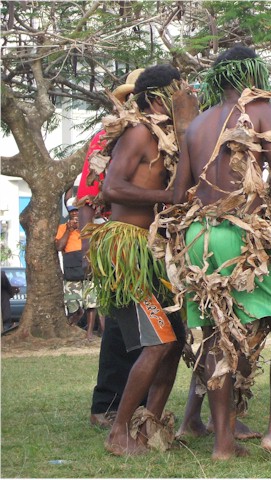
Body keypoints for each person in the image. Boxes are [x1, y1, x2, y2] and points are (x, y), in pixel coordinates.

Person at [165, 45, 271, 460]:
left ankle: (223, 444)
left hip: (198, 237)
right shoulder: (258, 107)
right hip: (240, 235)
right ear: (253, 75)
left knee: (215, 338)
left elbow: (178, 194)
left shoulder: (195, 125)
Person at [86, 64, 186, 456]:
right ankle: (119, 433)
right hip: (127, 249)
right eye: (179, 93)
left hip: (152, 251)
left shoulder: (168, 139)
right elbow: (111, 187)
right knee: (159, 341)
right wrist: (167, 198)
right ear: (160, 97)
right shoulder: (140, 132)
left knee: (173, 343)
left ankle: (148, 429)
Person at [77, 69, 147, 429]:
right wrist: (89, 245)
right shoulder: (106, 138)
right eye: (133, 96)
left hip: (150, 243)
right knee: (124, 328)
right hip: (117, 242)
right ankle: (107, 405)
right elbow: (88, 196)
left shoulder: (160, 137)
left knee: (143, 327)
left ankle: (136, 405)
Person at [55, 198, 100, 334]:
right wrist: (69, 230)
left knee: (91, 303)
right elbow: (59, 247)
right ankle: (76, 319)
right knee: (71, 302)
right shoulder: (63, 228)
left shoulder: (90, 227)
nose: (75, 215)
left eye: (77, 212)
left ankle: (89, 332)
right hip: (71, 268)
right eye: (73, 212)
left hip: (88, 268)